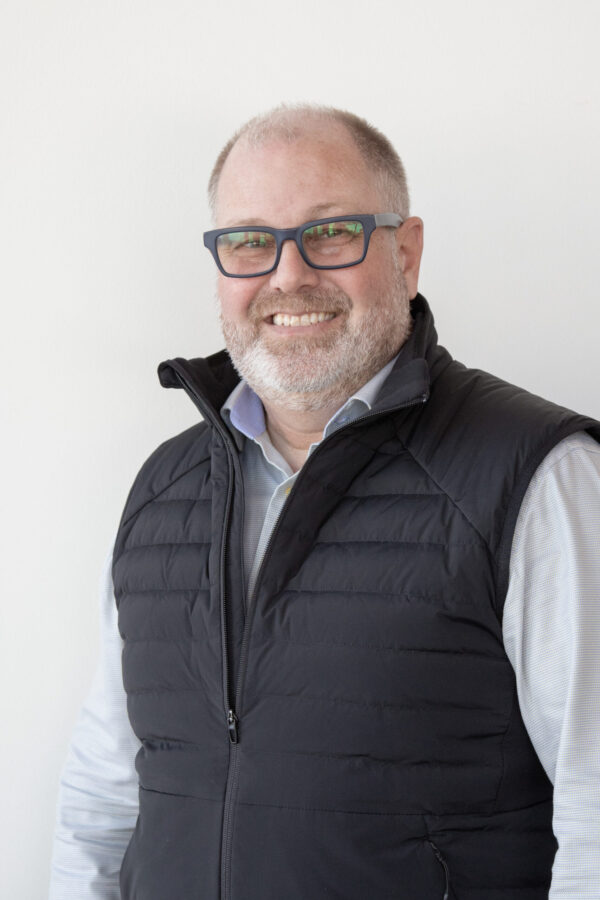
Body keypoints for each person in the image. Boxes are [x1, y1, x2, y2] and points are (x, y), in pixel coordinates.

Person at [49, 104, 600, 900]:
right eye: (248, 241)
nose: (287, 276)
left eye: (331, 232)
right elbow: (103, 802)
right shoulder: (162, 493)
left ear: (406, 254)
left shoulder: (539, 476)